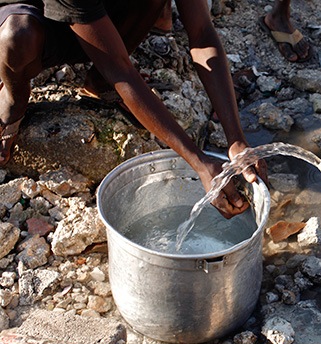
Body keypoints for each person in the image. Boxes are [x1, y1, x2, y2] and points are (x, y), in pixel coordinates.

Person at [0, 0, 267, 219]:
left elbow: (202, 35)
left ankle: (98, 81)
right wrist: (199, 161)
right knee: (17, 37)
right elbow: (121, 71)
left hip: (95, 22)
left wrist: (236, 140)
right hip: (33, 22)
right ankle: (14, 97)